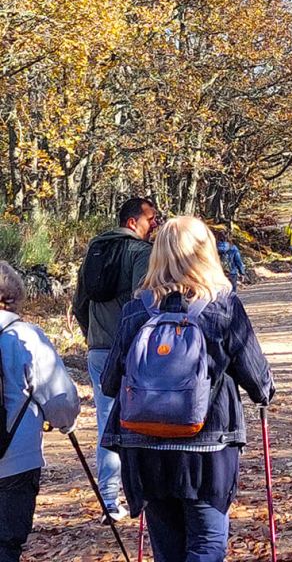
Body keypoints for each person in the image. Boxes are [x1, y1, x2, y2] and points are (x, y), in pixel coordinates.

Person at [100, 217, 274, 562]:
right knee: (208, 543)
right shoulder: (223, 307)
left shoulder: (137, 310)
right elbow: (258, 382)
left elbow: (109, 383)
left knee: (168, 549)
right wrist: (265, 392)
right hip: (206, 447)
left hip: (145, 446)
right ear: (206, 252)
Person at [72, 196, 157, 521]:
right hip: (132, 347)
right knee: (143, 418)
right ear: (134, 221)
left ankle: (110, 500)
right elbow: (144, 299)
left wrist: (92, 335)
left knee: (108, 420)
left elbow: (80, 301)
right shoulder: (140, 252)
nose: (154, 225)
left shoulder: (96, 248)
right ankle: (143, 493)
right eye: (151, 219)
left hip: (98, 348)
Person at [0, 262, 80, 562]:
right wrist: (64, 423)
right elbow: (61, 402)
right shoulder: (25, 337)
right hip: (14, 462)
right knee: (6, 543)